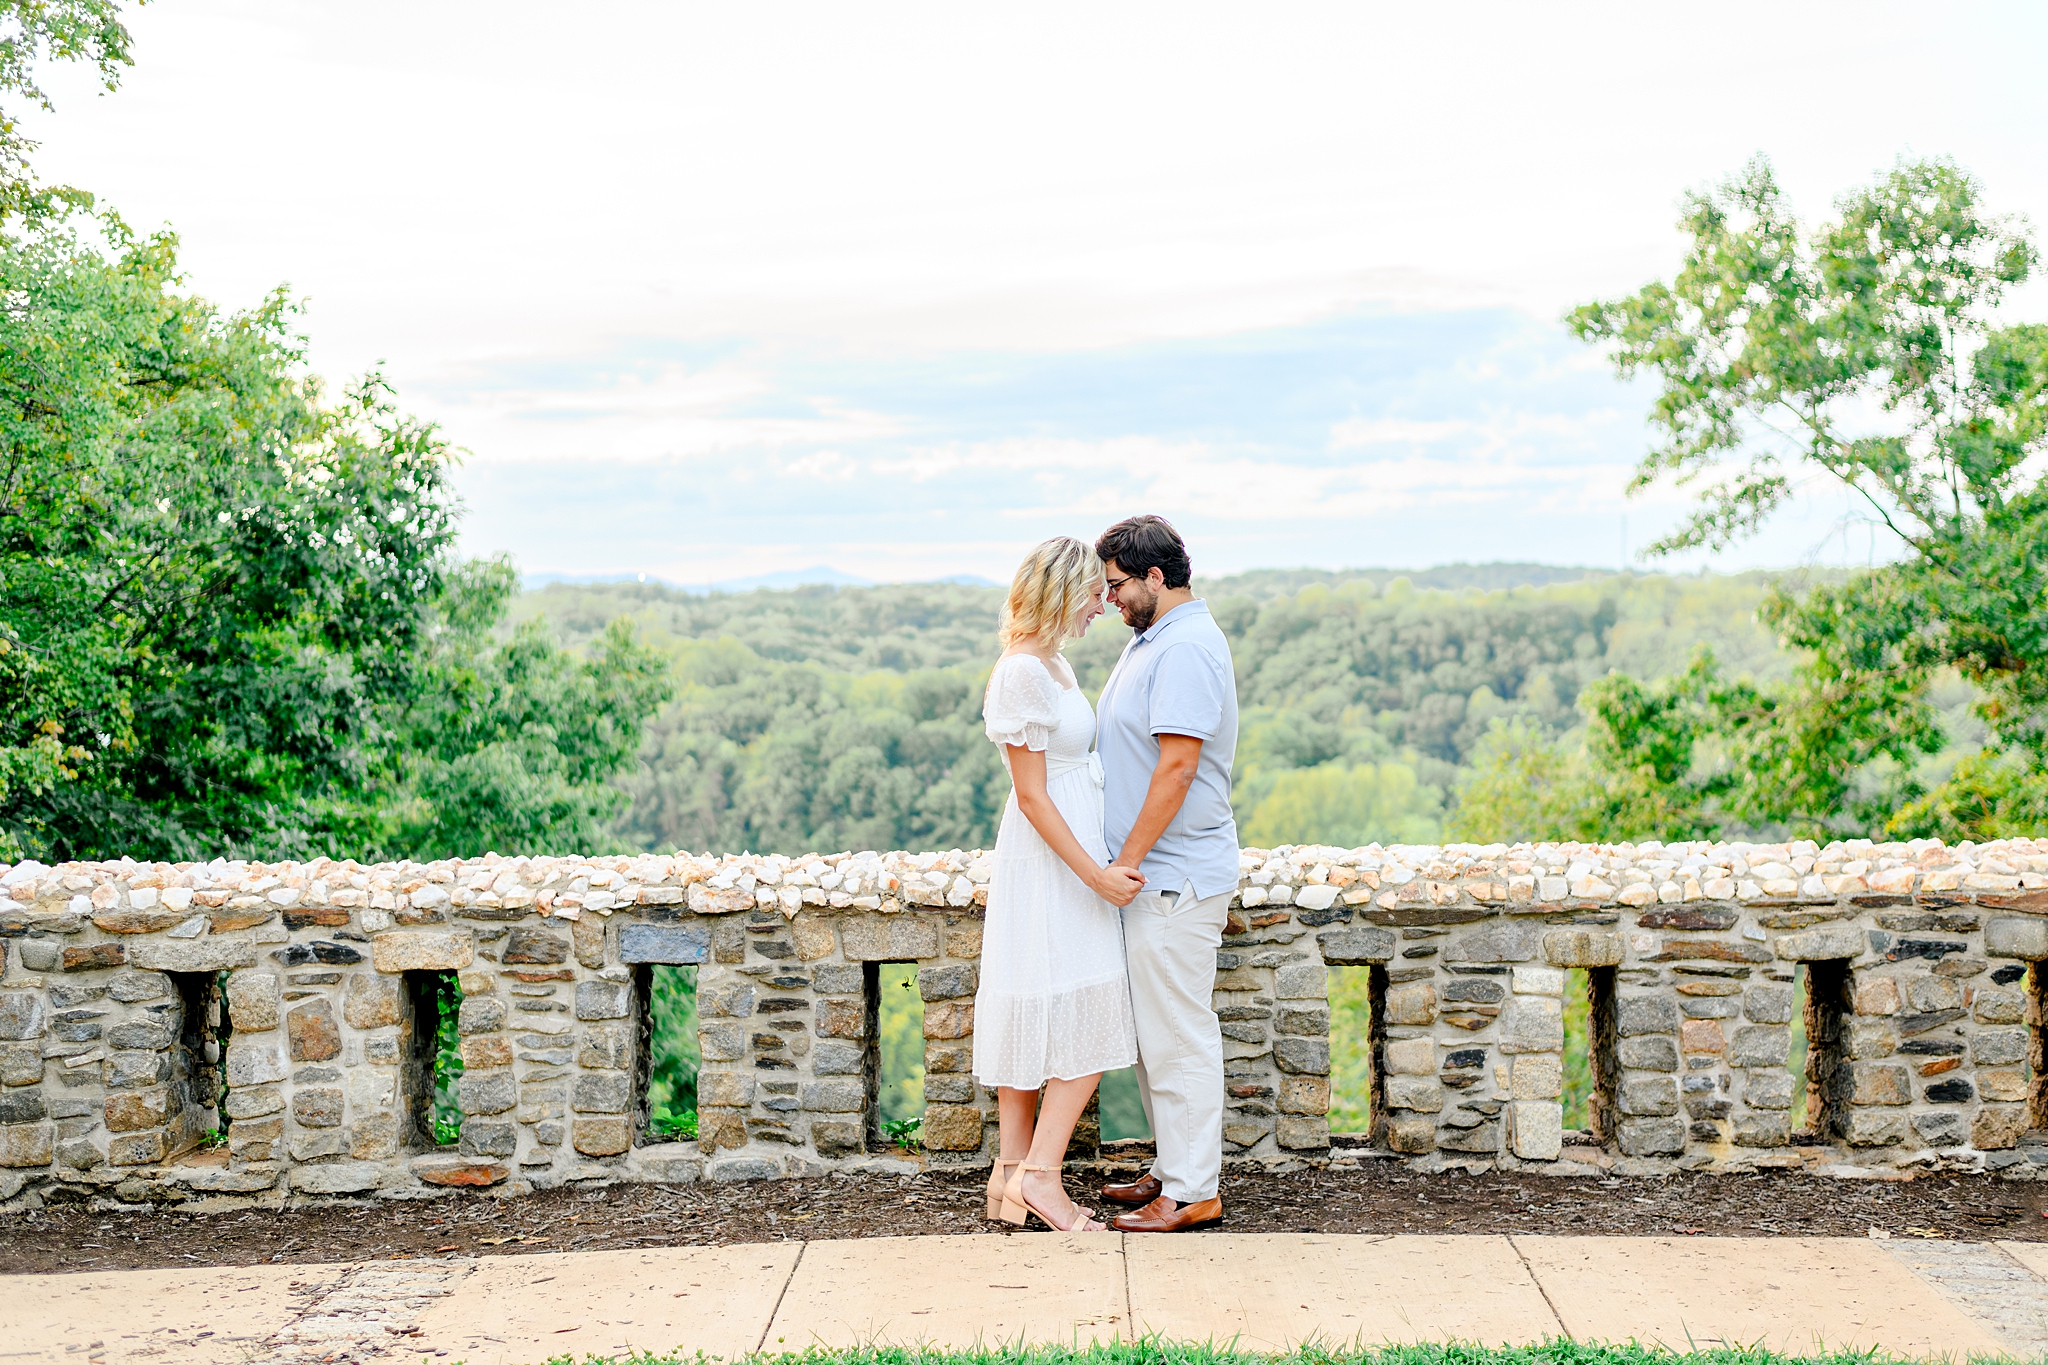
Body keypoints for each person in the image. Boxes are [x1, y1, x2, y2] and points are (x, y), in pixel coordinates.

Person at [972, 535, 1144, 1231]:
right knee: (1085, 1013)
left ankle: (1011, 1176)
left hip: (1068, 851)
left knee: (1047, 1006)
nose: (1103, 605)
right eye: (1094, 593)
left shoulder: (1055, 664)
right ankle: (1042, 1177)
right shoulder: (1021, 672)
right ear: (1062, 591)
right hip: (1053, 860)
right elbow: (1034, 795)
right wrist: (1096, 874)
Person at [1090, 514, 1239, 1233]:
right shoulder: (1154, 639)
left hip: (1172, 876)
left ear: (1156, 576)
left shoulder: (1185, 648)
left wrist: (1126, 861)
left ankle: (1192, 1191)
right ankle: (1170, 1168)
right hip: (1156, 875)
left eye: (1118, 584)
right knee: (1156, 1035)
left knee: (1178, 1034)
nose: (1109, 596)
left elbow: (1178, 767)